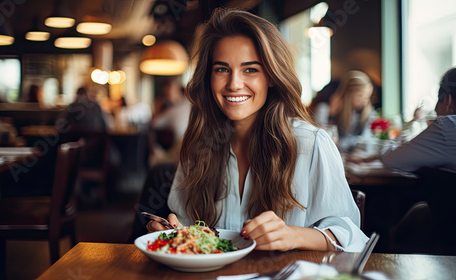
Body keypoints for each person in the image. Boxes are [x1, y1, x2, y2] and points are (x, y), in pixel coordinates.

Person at [145, 8, 368, 252]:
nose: (234, 84)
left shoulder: (311, 143)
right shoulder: (199, 144)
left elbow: (351, 236)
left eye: (250, 69)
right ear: (208, 77)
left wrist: (294, 236)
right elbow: (187, 226)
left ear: (271, 76)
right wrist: (172, 233)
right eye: (221, 69)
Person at [380, 67, 456, 172]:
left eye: (438, 100)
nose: (435, 109)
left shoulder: (448, 125)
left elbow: (391, 160)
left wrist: (388, 145)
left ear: (448, 100)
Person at [313, 71, 376, 153]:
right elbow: (321, 139)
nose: (365, 101)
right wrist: (331, 115)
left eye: (367, 97)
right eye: (360, 95)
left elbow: (366, 139)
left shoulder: (367, 112)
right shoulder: (325, 109)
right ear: (348, 94)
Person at [149, 79, 191, 166]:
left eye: (168, 93)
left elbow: (154, 123)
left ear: (177, 90)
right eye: (165, 94)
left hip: (183, 147)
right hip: (184, 147)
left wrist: (158, 107)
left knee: (153, 161)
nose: (167, 96)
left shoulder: (177, 108)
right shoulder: (185, 104)